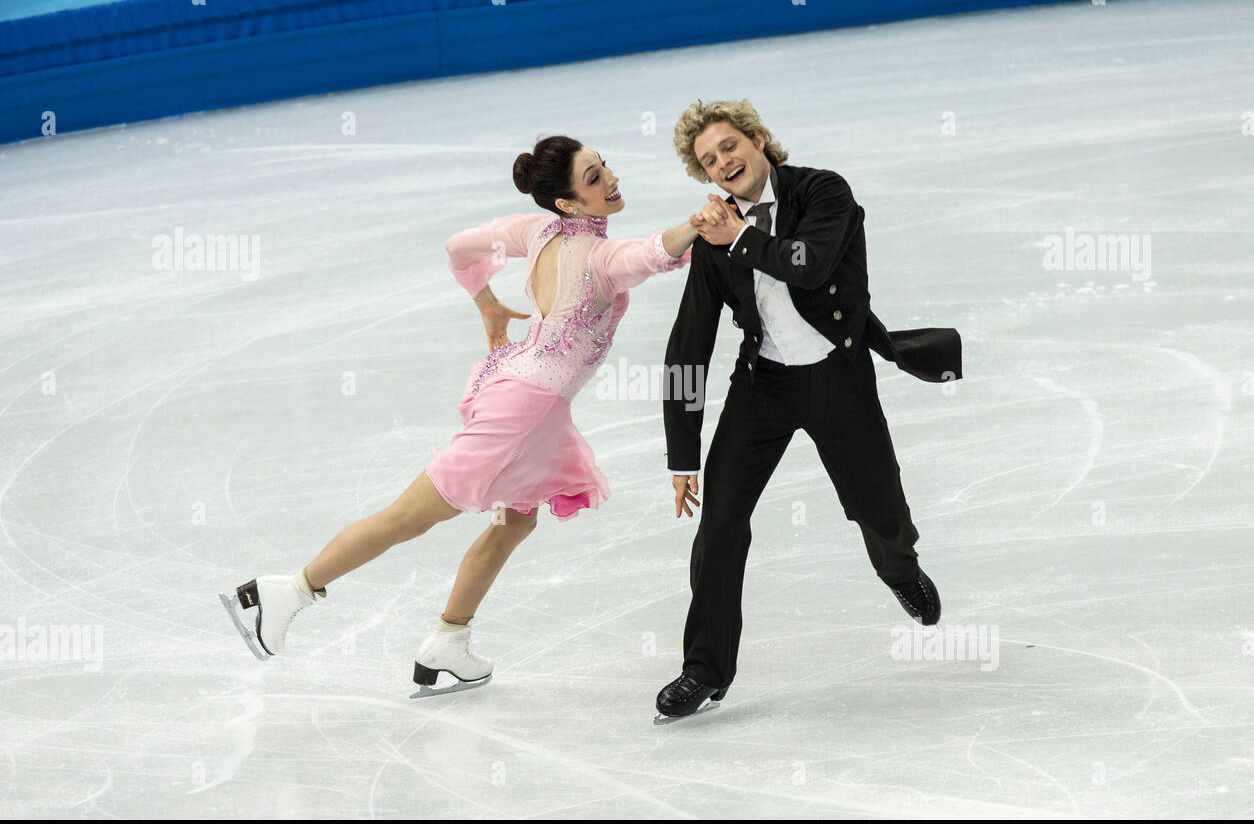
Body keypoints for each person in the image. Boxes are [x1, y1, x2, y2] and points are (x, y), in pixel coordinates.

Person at [221, 135, 700, 695]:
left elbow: (458, 247)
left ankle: (449, 640)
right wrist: (701, 222)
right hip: (522, 411)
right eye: (594, 177)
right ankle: (289, 592)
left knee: (515, 519)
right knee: (410, 516)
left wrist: (486, 303)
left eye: (604, 165)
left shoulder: (536, 231)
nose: (611, 179)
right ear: (567, 203)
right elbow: (653, 254)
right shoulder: (601, 256)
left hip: (529, 401)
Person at [655, 100, 964, 722]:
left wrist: (740, 238)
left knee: (880, 508)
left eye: (729, 145)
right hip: (762, 386)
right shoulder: (714, 238)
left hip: (839, 375)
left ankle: (898, 567)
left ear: (757, 139)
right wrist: (683, 454)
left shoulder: (823, 191)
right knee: (720, 523)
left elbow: (809, 264)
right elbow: (689, 343)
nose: (723, 162)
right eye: (709, 160)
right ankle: (704, 669)